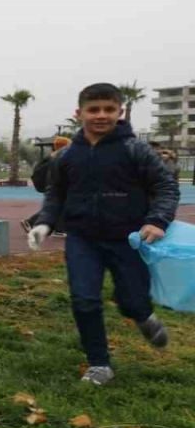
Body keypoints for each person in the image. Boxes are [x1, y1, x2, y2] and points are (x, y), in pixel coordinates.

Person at [29, 83, 178, 386]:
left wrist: (157, 221)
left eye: (109, 109)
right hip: (82, 239)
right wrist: (45, 222)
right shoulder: (66, 156)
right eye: (93, 109)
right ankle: (99, 364)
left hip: (129, 239)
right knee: (83, 299)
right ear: (79, 113)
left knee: (132, 299)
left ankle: (143, 316)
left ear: (120, 112)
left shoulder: (135, 150)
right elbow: (55, 194)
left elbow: (166, 187)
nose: (101, 115)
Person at [20, 136, 71, 236]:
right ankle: (59, 230)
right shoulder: (58, 157)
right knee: (61, 204)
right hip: (54, 186)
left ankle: (31, 222)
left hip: (52, 185)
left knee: (58, 205)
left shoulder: (53, 156)